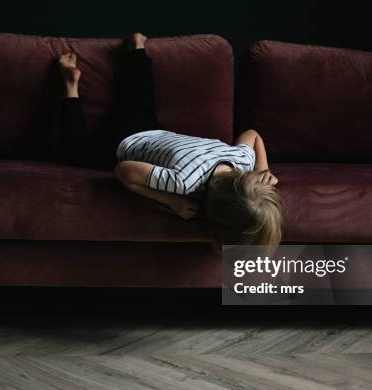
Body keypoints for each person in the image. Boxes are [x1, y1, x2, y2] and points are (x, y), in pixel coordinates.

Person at [57, 33, 282, 246]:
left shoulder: (241, 160)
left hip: (153, 130)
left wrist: (262, 169)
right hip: (122, 142)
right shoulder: (183, 183)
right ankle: (70, 87)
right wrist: (170, 200)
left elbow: (252, 135)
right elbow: (123, 170)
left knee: (139, 98)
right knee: (75, 152)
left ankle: (137, 48)